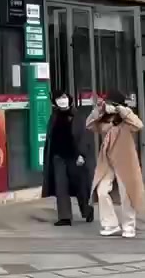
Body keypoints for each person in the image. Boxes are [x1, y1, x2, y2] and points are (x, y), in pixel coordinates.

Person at [85, 89, 145, 238]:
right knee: (101, 190)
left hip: (125, 160)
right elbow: (90, 125)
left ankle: (129, 225)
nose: (109, 106)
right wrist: (98, 110)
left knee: (127, 194)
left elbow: (139, 125)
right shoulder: (105, 118)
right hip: (107, 160)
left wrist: (121, 110)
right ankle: (110, 224)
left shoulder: (126, 119)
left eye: (111, 103)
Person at [41, 90, 94, 226]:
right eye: (59, 98)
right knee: (61, 186)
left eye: (64, 97)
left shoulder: (77, 116)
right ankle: (65, 217)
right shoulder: (54, 117)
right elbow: (50, 138)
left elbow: (84, 136)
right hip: (58, 157)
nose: (62, 100)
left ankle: (87, 210)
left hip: (74, 157)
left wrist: (82, 154)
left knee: (80, 186)